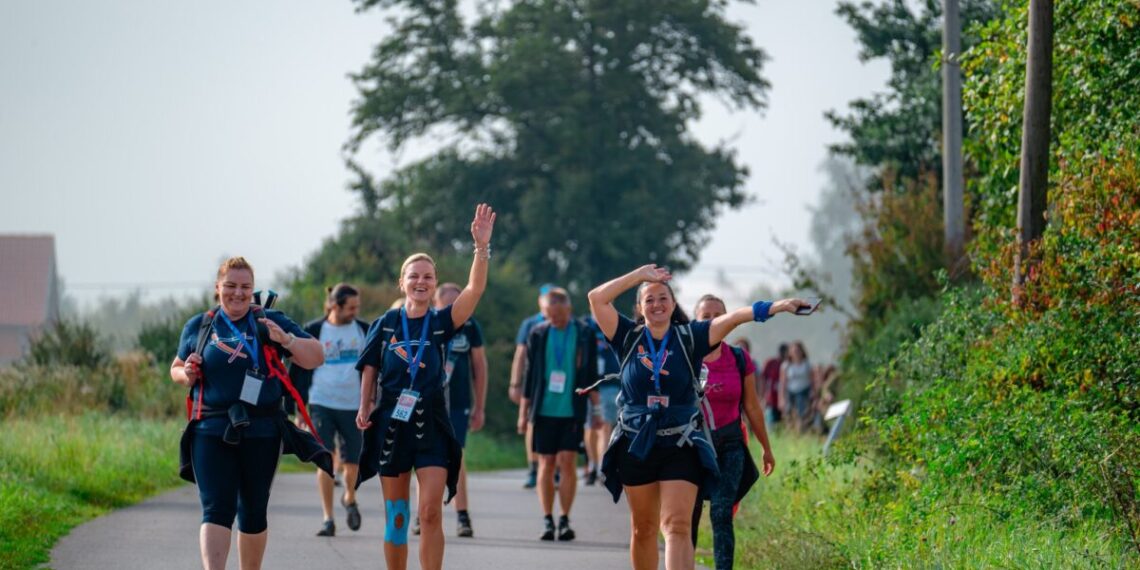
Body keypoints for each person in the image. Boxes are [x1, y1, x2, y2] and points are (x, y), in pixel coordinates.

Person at [587, 264, 809, 570]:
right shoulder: (625, 336)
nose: (657, 304)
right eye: (649, 299)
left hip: (681, 444)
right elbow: (596, 298)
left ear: (673, 304)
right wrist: (638, 276)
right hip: (636, 443)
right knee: (643, 529)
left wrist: (778, 306)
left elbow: (734, 318)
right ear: (639, 307)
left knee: (677, 526)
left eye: (663, 298)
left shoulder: (692, 336)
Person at [354, 204, 495, 570]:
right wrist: (365, 404)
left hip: (431, 422)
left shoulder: (441, 322)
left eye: (428, 277)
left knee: (430, 512)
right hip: (391, 422)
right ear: (402, 282)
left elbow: (474, 289)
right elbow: (370, 366)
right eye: (414, 276)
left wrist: (481, 248)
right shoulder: (386, 323)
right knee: (398, 517)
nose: (421, 281)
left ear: (434, 283)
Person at [171, 256, 328, 570]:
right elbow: (176, 368)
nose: (238, 293)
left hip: (262, 430)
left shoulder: (269, 321)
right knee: (216, 509)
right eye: (230, 286)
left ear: (253, 288)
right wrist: (186, 373)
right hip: (211, 429)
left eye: (245, 287)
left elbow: (316, 356)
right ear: (218, 288)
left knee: (253, 511)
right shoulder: (200, 325)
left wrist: (286, 340)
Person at [689, 294, 776, 570]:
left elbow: (752, 406)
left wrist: (766, 448)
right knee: (688, 516)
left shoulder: (739, 358)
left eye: (718, 315)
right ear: (695, 322)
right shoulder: (686, 357)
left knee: (721, 512)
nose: (713, 320)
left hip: (730, 445)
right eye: (706, 316)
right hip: (691, 447)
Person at [517, 287, 601, 541]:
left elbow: (591, 374)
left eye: (559, 315)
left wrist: (596, 410)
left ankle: (564, 518)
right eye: (549, 316)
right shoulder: (537, 333)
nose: (554, 320)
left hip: (572, 409)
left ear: (569, 309)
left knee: (567, 460)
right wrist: (523, 413)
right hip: (543, 410)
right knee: (546, 462)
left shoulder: (584, 333)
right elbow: (530, 376)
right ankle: (547, 519)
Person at [288, 283, 370, 537]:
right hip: (321, 402)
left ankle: (349, 497)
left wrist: (371, 401)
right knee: (325, 459)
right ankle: (328, 518)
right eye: (351, 307)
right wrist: (298, 408)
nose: (355, 312)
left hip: (353, 405)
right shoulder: (314, 330)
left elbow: (374, 367)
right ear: (335, 306)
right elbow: (299, 368)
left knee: (353, 462)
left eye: (358, 307)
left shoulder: (364, 329)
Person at [436, 281, 487, 537]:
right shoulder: (428, 322)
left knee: (457, 457)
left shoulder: (470, 326)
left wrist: (480, 406)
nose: (454, 309)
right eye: (448, 304)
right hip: (430, 401)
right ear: (436, 304)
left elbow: (480, 365)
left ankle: (462, 514)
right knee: (425, 458)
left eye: (458, 303)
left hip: (458, 402)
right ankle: (424, 514)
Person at [509, 284, 552, 488]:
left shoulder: (567, 322)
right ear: (540, 300)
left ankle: (554, 469)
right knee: (532, 423)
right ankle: (534, 468)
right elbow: (520, 354)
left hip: (557, 384)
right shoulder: (530, 323)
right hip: (534, 381)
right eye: (546, 298)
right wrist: (515, 383)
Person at [584, 314, 621, 486]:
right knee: (590, 427)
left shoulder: (616, 322)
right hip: (589, 385)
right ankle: (592, 464)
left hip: (610, 384)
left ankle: (602, 468)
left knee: (604, 426)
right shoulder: (584, 326)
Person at [781, 341, 812, 433]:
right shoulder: (786, 365)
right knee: (789, 411)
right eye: (794, 351)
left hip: (803, 390)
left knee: (801, 411)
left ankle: (801, 430)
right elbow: (783, 383)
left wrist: (813, 392)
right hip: (790, 391)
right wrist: (782, 398)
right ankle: (790, 430)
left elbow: (811, 379)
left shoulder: (806, 364)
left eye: (798, 351)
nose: (796, 353)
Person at [759, 343, 788, 427]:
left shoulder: (788, 364)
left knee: (783, 422)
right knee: (771, 422)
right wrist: (762, 396)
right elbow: (763, 379)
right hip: (771, 398)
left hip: (785, 399)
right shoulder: (771, 362)